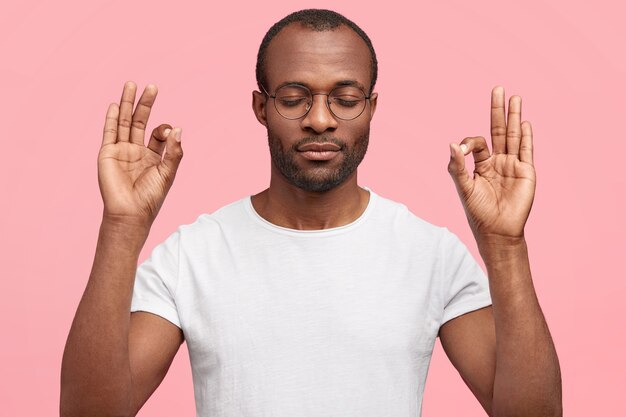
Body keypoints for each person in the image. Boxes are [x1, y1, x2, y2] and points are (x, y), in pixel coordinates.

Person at [60, 9, 562, 417]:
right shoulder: (192, 255)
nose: (319, 120)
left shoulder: (431, 254)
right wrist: (122, 228)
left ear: (371, 107)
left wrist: (505, 247)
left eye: (345, 99)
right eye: (294, 98)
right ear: (261, 107)